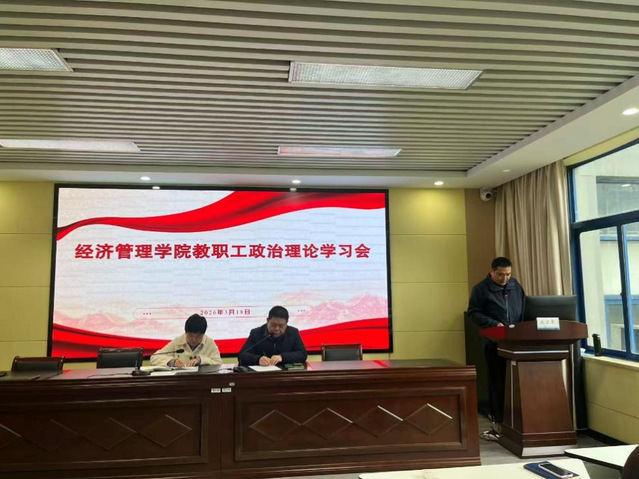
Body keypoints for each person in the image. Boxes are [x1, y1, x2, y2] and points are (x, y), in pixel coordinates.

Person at [467, 257, 525, 441]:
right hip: (494, 343)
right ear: (492, 271)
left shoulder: (515, 286)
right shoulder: (481, 289)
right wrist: (494, 324)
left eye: (508, 274)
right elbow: (473, 313)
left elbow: (524, 309)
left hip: (516, 343)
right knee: (498, 382)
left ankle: (517, 425)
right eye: (500, 274)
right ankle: (498, 423)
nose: (504, 278)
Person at [238, 305, 307, 366]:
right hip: (263, 373)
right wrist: (258, 359)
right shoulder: (256, 333)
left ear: (286, 323)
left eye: (281, 326)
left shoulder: (293, 333)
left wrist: (282, 357)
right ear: (267, 320)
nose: (277, 329)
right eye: (273, 325)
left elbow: (302, 354)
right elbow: (242, 356)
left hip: (284, 373)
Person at [150, 314, 222, 367]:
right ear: (186, 332)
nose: (194, 339)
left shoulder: (210, 343)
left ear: (203, 334)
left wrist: (200, 360)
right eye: (190, 336)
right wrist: (173, 362)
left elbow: (218, 363)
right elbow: (154, 357)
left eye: (198, 337)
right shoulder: (178, 341)